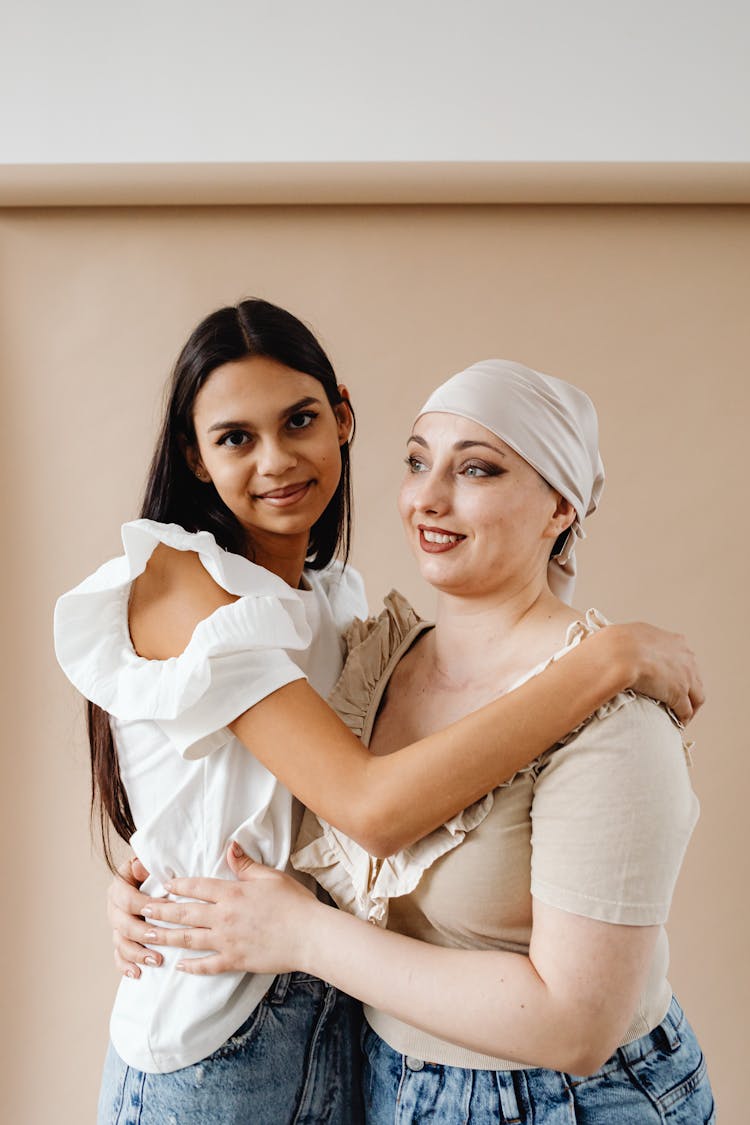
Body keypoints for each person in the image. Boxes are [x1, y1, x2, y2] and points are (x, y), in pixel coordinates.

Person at [115, 359, 714, 1124]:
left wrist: (303, 935)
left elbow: (576, 1026)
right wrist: (148, 887)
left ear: (561, 506)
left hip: (568, 1102)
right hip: (378, 1080)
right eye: (417, 461)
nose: (430, 498)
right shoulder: (369, 661)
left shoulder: (616, 718)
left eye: (477, 469)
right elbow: (256, 797)